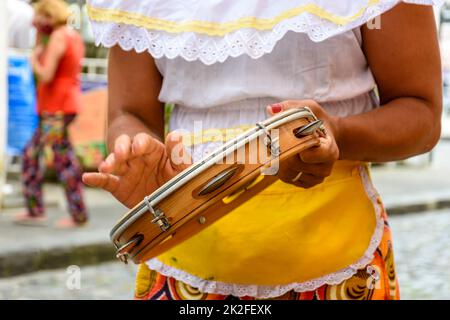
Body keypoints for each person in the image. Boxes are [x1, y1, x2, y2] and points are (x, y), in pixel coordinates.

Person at [83, 0, 442, 300]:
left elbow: (420, 111)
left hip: (338, 264)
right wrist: (135, 151)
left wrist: (339, 133)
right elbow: (128, 113)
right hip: (183, 263)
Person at [14, 0, 88, 228]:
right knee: (49, 156)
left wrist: (33, 58)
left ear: (49, 15)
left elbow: (45, 74)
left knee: (51, 158)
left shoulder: (57, 36)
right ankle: (65, 212)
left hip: (56, 108)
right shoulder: (72, 35)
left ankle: (71, 214)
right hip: (63, 105)